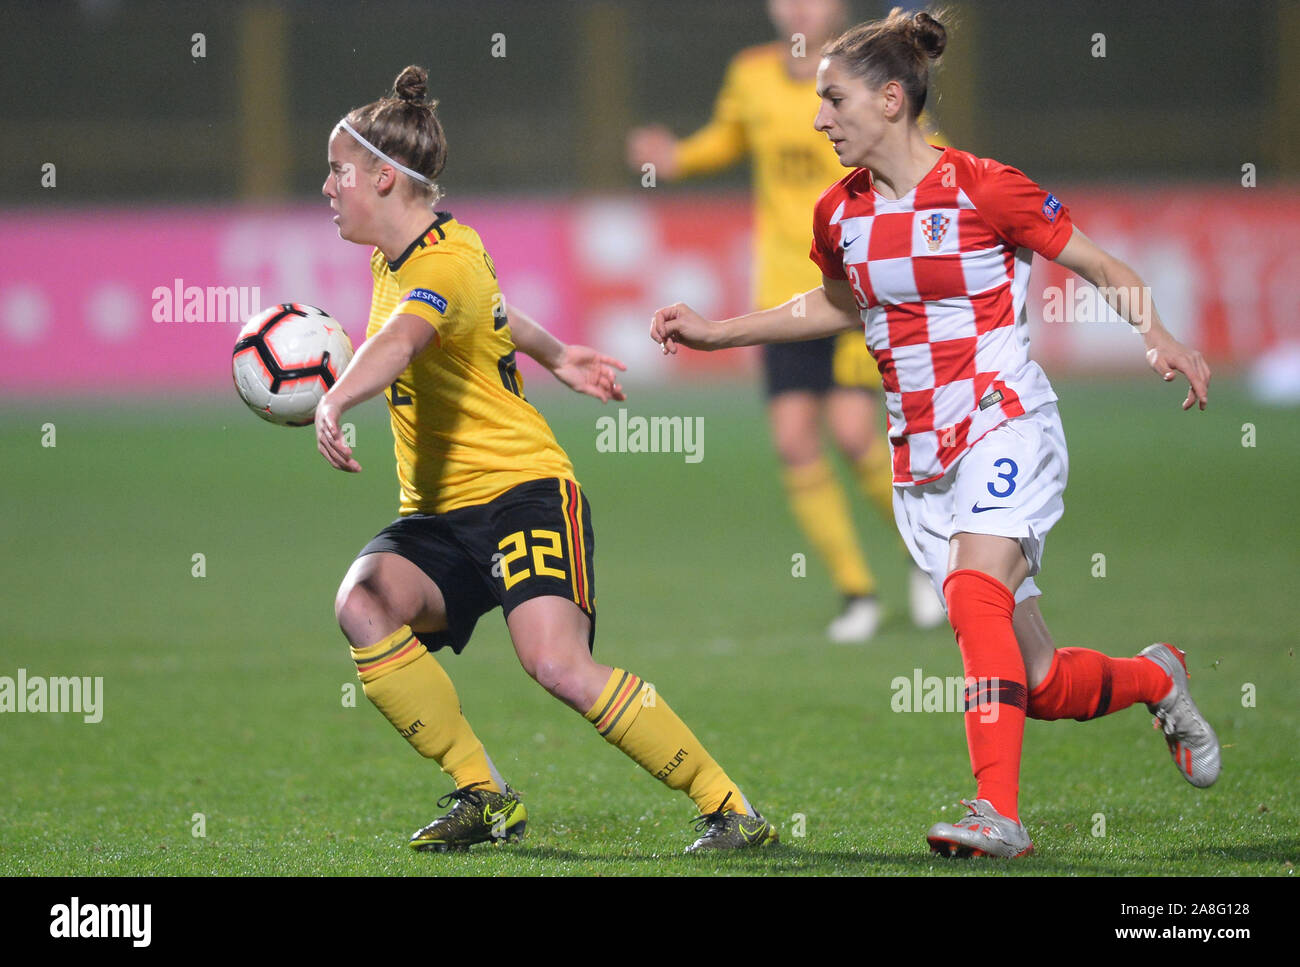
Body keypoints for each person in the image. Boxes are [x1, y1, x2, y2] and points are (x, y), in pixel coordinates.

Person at [649, 9, 1220, 858]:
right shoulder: (835, 214)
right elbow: (839, 301)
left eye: (833, 100)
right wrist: (717, 331)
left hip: (1005, 422)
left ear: (890, 98)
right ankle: (1156, 676)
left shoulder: (984, 185)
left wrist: (1156, 332)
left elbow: (1098, 263)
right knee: (1040, 680)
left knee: (971, 590)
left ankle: (998, 810)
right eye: (816, 102)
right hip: (921, 460)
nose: (818, 119)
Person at [316, 65, 776, 853]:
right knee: (363, 600)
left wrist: (333, 399)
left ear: (385, 179)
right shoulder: (413, 254)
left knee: (556, 665)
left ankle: (728, 806)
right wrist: (559, 354)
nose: (326, 186)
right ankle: (484, 795)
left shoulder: (441, 263)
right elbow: (493, 312)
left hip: (521, 493)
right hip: (436, 516)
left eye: (339, 171)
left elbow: (401, 341)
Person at [627, 0, 946, 642]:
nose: (799, 9)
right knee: (794, 439)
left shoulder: (865, 79)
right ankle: (856, 591)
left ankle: (928, 556)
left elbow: (926, 149)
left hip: (854, 289)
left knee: (856, 435)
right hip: (783, 290)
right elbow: (727, 138)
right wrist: (675, 157)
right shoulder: (751, 75)